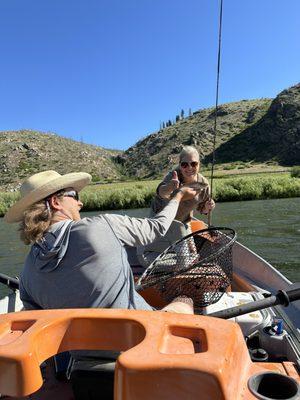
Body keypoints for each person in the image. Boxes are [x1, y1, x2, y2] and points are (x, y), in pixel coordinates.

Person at [4, 170, 199, 314]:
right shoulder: (102, 226)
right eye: (75, 196)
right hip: (142, 338)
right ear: (56, 202)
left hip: (80, 360)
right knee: (185, 300)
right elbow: (157, 227)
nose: (80, 203)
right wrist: (178, 196)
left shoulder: (28, 271)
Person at [150, 145, 215, 224]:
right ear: (180, 165)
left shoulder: (204, 184)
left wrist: (207, 208)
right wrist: (169, 187)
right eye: (185, 164)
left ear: (199, 164)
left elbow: (202, 209)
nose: (189, 168)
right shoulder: (173, 176)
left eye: (194, 164)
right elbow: (161, 193)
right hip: (159, 218)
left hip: (183, 220)